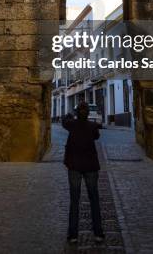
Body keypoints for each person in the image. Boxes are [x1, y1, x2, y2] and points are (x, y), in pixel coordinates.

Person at [62, 101, 104, 245]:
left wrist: (70, 116)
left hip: (74, 166)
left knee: (74, 201)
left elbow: (65, 121)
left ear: (76, 113)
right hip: (91, 166)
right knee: (94, 199)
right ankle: (98, 233)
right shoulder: (92, 127)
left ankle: (73, 234)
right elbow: (96, 136)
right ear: (87, 114)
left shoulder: (71, 125)